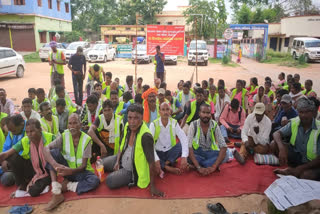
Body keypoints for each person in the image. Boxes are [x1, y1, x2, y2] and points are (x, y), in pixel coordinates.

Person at [102, 104, 164, 196]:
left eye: (136, 118)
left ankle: (128, 177)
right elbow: (121, 145)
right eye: (130, 117)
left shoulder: (146, 136)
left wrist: (152, 186)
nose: (132, 122)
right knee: (101, 163)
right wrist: (117, 161)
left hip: (131, 170)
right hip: (121, 158)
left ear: (142, 118)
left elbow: (151, 162)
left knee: (109, 181)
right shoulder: (127, 126)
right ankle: (117, 168)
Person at [43, 114, 100, 211]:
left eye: (75, 123)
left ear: (80, 124)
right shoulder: (64, 136)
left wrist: (70, 171)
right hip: (66, 170)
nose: (72, 126)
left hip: (81, 172)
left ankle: (68, 186)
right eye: (70, 123)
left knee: (94, 181)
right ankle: (56, 191)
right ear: (67, 125)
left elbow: (83, 166)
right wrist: (55, 164)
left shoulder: (87, 140)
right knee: (52, 153)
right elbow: (46, 148)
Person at [0, 119, 54, 197]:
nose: (29, 134)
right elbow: (8, 153)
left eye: (32, 131)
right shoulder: (25, 140)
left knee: (33, 191)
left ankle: (43, 182)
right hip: (34, 169)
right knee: (13, 157)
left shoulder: (50, 137)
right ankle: (22, 185)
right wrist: (2, 157)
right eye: (27, 132)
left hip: (49, 169)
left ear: (40, 129)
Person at [273, 98, 320, 181]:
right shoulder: (295, 122)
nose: (304, 115)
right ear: (298, 112)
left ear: (313, 113)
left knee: (305, 176)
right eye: (301, 112)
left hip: (313, 163)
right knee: (274, 144)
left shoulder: (319, 128)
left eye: (307, 112)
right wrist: (281, 149)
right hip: (297, 157)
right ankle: (293, 170)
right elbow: (276, 133)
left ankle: (293, 170)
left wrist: (300, 168)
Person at [188, 104, 230, 176]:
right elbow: (189, 147)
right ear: (199, 113)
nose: (206, 115)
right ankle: (202, 165)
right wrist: (198, 167)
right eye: (203, 112)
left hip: (210, 152)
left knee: (226, 155)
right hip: (197, 152)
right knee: (187, 156)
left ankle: (202, 165)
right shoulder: (193, 125)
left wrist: (213, 167)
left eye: (208, 113)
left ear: (211, 114)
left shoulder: (214, 125)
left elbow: (223, 146)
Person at [150, 103, 188, 175]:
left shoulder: (174, 123)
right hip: (159, 153)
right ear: (159, 112)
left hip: (170, 152)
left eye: (167, 109)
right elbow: (150, 144)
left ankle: (164, 165)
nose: (165, 112)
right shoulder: (154, 124)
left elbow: (183, 138)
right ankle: (168, 167)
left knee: (182, 144)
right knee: (149, 152)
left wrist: (184, 156)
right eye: (163, 110)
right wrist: (156, 159)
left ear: (170, 111)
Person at [1, 114, 26, 187]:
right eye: (10, 131)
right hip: (11, 161)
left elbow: (23, 153)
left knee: (6, 179)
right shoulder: (12, 131)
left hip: (25, 164)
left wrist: (8, 160)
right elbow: (6, 147)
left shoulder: (29, 130)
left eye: (14, 130)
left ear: (22, 124)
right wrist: (3, 160)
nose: (12, 133)